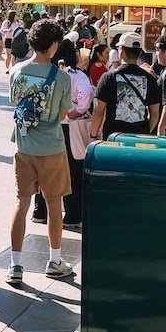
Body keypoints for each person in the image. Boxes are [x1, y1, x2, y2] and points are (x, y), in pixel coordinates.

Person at [8, 20, 75, 285]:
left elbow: (16, 103)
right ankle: (55, 260)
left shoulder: (16, 71)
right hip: (52, 148)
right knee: (54, 204)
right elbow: (61, 113)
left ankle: (15, 265)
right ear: (54, 45)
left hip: (23, 146)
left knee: (22, 202)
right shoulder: (61, 77)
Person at [89, 33, 160, 140]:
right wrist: (145, 132)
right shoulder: (150, 79)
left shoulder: (108, 77)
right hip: (140, 138)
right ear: (140, 53)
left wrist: (93, 135)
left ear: (121, 51)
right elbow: (154, 114)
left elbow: (99, 110)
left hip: (113, 137)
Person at [55, 39, 94, 232]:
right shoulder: (77, 75)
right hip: (71, 127)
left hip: (53, 127)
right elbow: (86, 95)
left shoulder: (51, 72)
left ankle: (41, 211)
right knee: (73, 171)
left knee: (52, 169)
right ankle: (72, 213)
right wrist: (76, 110)